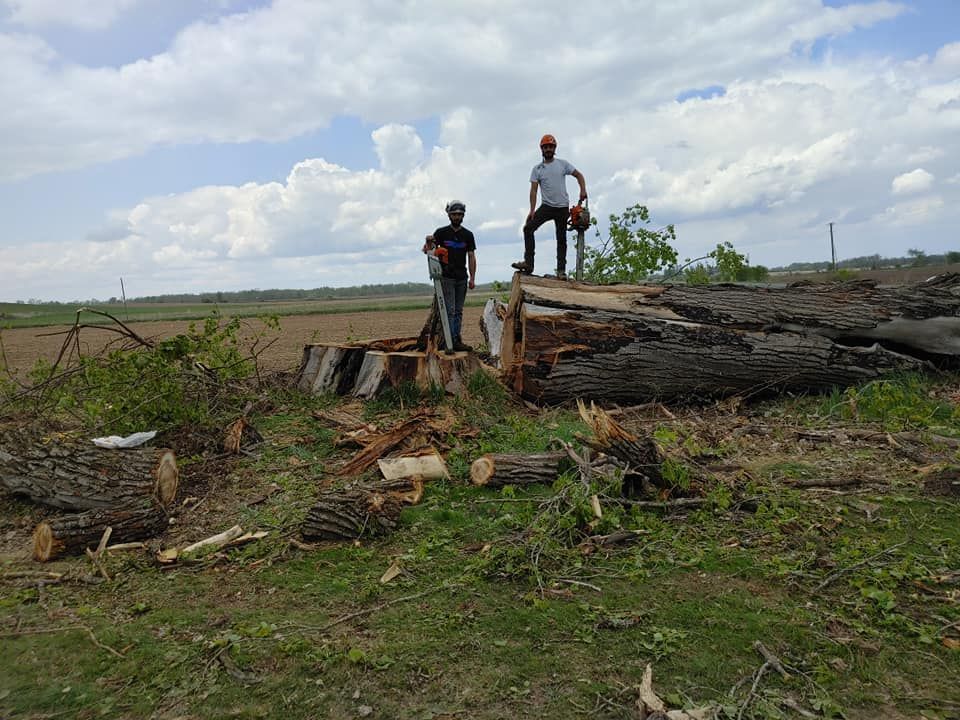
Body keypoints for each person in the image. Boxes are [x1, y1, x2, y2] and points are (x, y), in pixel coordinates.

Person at [512, 134, 587, 280]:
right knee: (528, 228)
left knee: (561, 238)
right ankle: (528, 263)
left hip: (562, 207)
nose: (548, 149)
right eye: (545, 147)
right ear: (541, 149)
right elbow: (533, 190)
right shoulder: (537, 169)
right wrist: (532, 210)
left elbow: (579, 175)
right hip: (546, 206)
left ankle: (561, 271)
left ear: (554, 148)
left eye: (550, 147)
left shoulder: (562, 164)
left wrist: (582, 190)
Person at [422, 200, 477, 351]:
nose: (457, 217)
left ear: (463, 215)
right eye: (454, 214)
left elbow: (471, 257)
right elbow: (428, 250)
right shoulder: (441, 233)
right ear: (449, 215)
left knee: (458, 311)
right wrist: (428, 243)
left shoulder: (468, 235)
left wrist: (472, 278)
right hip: (446, 277)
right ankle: (449, 342)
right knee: (450, 310)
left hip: (462, 277)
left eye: (460, 214)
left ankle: (456, 339)